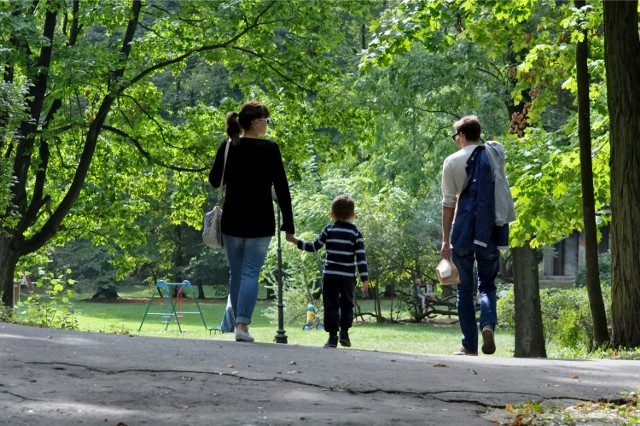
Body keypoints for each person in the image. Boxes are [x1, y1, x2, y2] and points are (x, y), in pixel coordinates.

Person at [209, 101, 294, 343]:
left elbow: (215, 181)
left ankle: (239, 323)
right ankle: (242, 325)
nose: (267, 125)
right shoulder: (270, 149)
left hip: (233, 220)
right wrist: (289, 224)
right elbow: (282, 188)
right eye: (266, 120)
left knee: (236, 274)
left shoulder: (227, 145)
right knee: (249, 273)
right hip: (260, 221)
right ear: (256, 122)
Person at [440, 115, 514, 356]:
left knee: (463, 289)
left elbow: (448, 203)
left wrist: (445, 238)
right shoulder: (492, 158)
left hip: (463, 230)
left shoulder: (452, 161)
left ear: (461, 135)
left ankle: (469, 345)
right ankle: (488, 324)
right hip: (488, 230)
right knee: (487, 285)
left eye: (456, 136)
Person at [286, 195, 369, 348]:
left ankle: (332, 338)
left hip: (330, 275)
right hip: (347, 278)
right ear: (352, 215)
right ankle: (344, 333)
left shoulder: (329, 230)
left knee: (331, 305)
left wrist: (295, 240)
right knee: (347, 304)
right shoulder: (355, 233)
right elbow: (361, 258)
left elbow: (313, 247)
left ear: (332, 214)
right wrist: (364, 279)